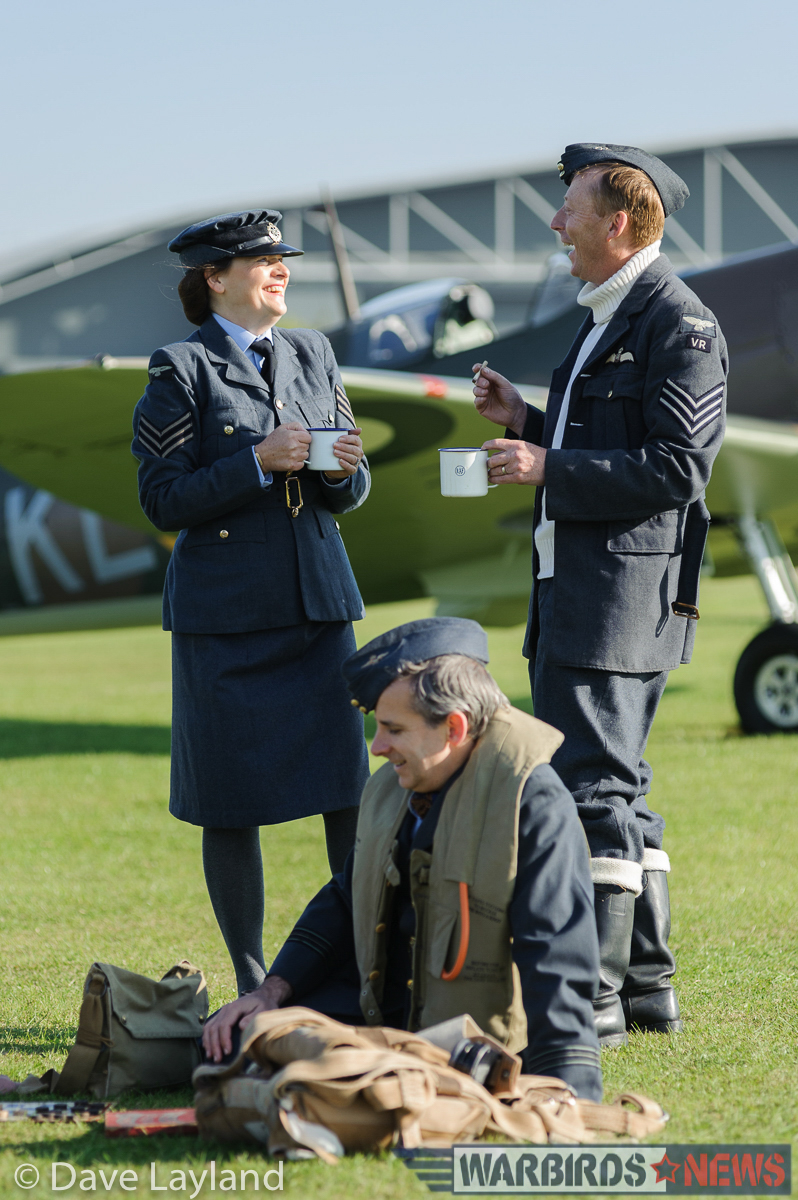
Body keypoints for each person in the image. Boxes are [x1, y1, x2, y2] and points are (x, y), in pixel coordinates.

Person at [472, 145, 728, 1047]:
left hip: (618, 599)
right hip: (585, 590)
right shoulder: (608, 315)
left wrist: (547, 465)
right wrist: (527, 423)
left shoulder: (679, 324)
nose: (557, 224)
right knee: (623, 791)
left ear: (617, 220)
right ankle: (648, 993)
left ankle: (594, 1007)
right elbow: (615, 440)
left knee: (592, 793)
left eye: (570, 209)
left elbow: (676, 468)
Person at [202, 617, 604, 1103]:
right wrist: (270, 993)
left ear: (454, 727)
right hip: (377, 1017)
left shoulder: (533, 801)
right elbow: (346, 898)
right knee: (226, 1046)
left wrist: (574, 1093)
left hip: (465, 1044)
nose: (377, 747)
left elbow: (557, 954)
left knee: (317, 1083)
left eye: (393, 729)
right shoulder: (392, 787)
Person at [131, 209, 371, 997]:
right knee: (228, 806)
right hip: (225, 621)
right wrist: (257, 464)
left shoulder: (312, 351)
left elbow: (349, 491)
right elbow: (162, 499)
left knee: (348, 794)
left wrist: (341, 470)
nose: (280, 269)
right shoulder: (180, 369)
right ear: (214, 278)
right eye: (263, 259)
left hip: (316, 607)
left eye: (281, 258)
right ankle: (251, 982)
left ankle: (362, 968)